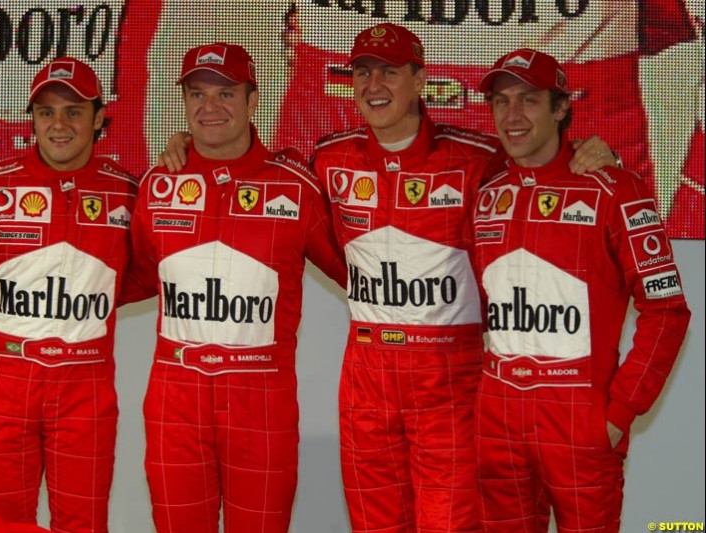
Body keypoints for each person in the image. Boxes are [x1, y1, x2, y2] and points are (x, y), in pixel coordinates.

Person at [160, 25, 616, 533]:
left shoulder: (478, 157)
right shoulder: (330, 159)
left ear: (420, 79)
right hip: (366, 384)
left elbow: (541, 163)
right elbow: (266, 181)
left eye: (390, 72)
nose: (374, 85)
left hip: (450, 382)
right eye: (362, 72)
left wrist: (595, 153)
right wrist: (187, 147)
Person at [471, 48, 691, 532]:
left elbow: (668, 312)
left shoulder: (616, 189)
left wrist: (619, 411)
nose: (512, 116)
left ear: (561, 108)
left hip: (579, 420)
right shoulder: (487, 195)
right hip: (499, 420)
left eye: (528, 100)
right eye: (501, 102)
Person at [129, 42, 346, 533]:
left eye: (226, 93)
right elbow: (127, 277)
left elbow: (361, 274)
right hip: (175, 402)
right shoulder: (157, 184)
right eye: (197, 95)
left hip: (261, 405)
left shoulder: (295, 187)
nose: (210, 107)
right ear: (182, 104)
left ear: (253, 102)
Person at [0, 57, 141, 532]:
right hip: (6, 389)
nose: (59, 125)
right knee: (0, 525)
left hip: (85, 390)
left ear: (99, 117)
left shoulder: (127, 192)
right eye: (46, 112)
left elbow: (152, 269)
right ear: (32, 119)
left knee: (83, 524)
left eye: (73, 111)